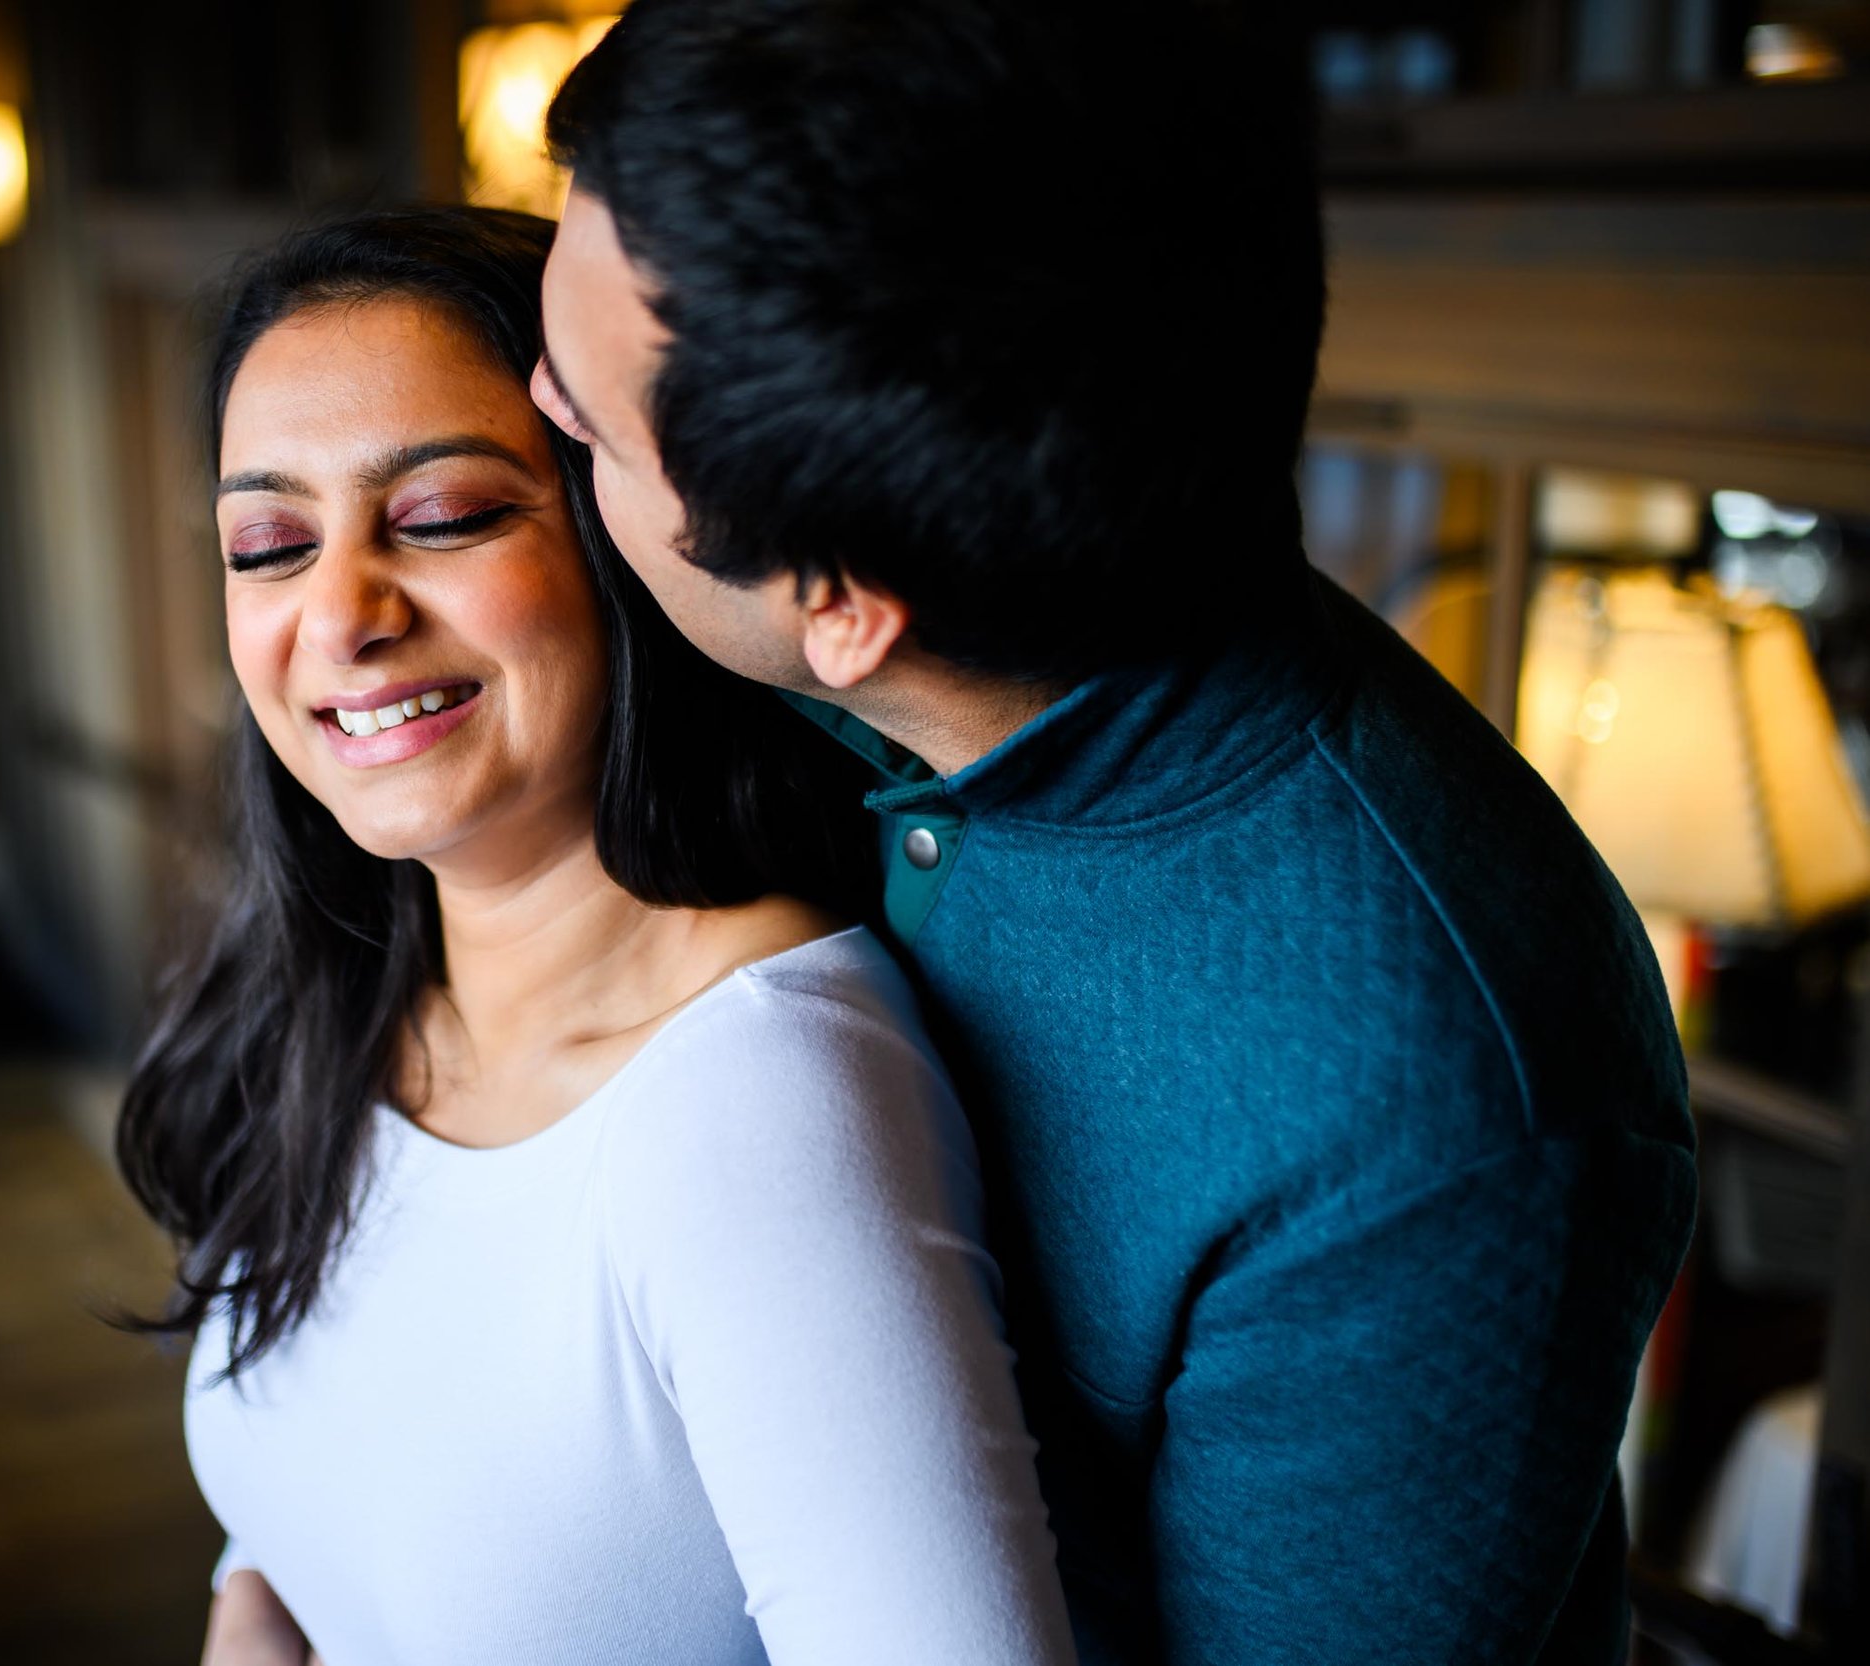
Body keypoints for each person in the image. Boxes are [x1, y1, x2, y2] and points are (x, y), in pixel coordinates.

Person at [532, 3, 1698, 1662]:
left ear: (843, 603)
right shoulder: (831, 619)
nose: (537, 415)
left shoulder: (1437, 1111)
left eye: (587, 425)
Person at [114, 206, 1078, 1666]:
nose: (341, 611)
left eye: (439, 518)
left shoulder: (751, 1096)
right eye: (269, 542)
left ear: (625, 538)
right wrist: (250, 1600)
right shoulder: (348, 1003)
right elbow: (342, 1476)